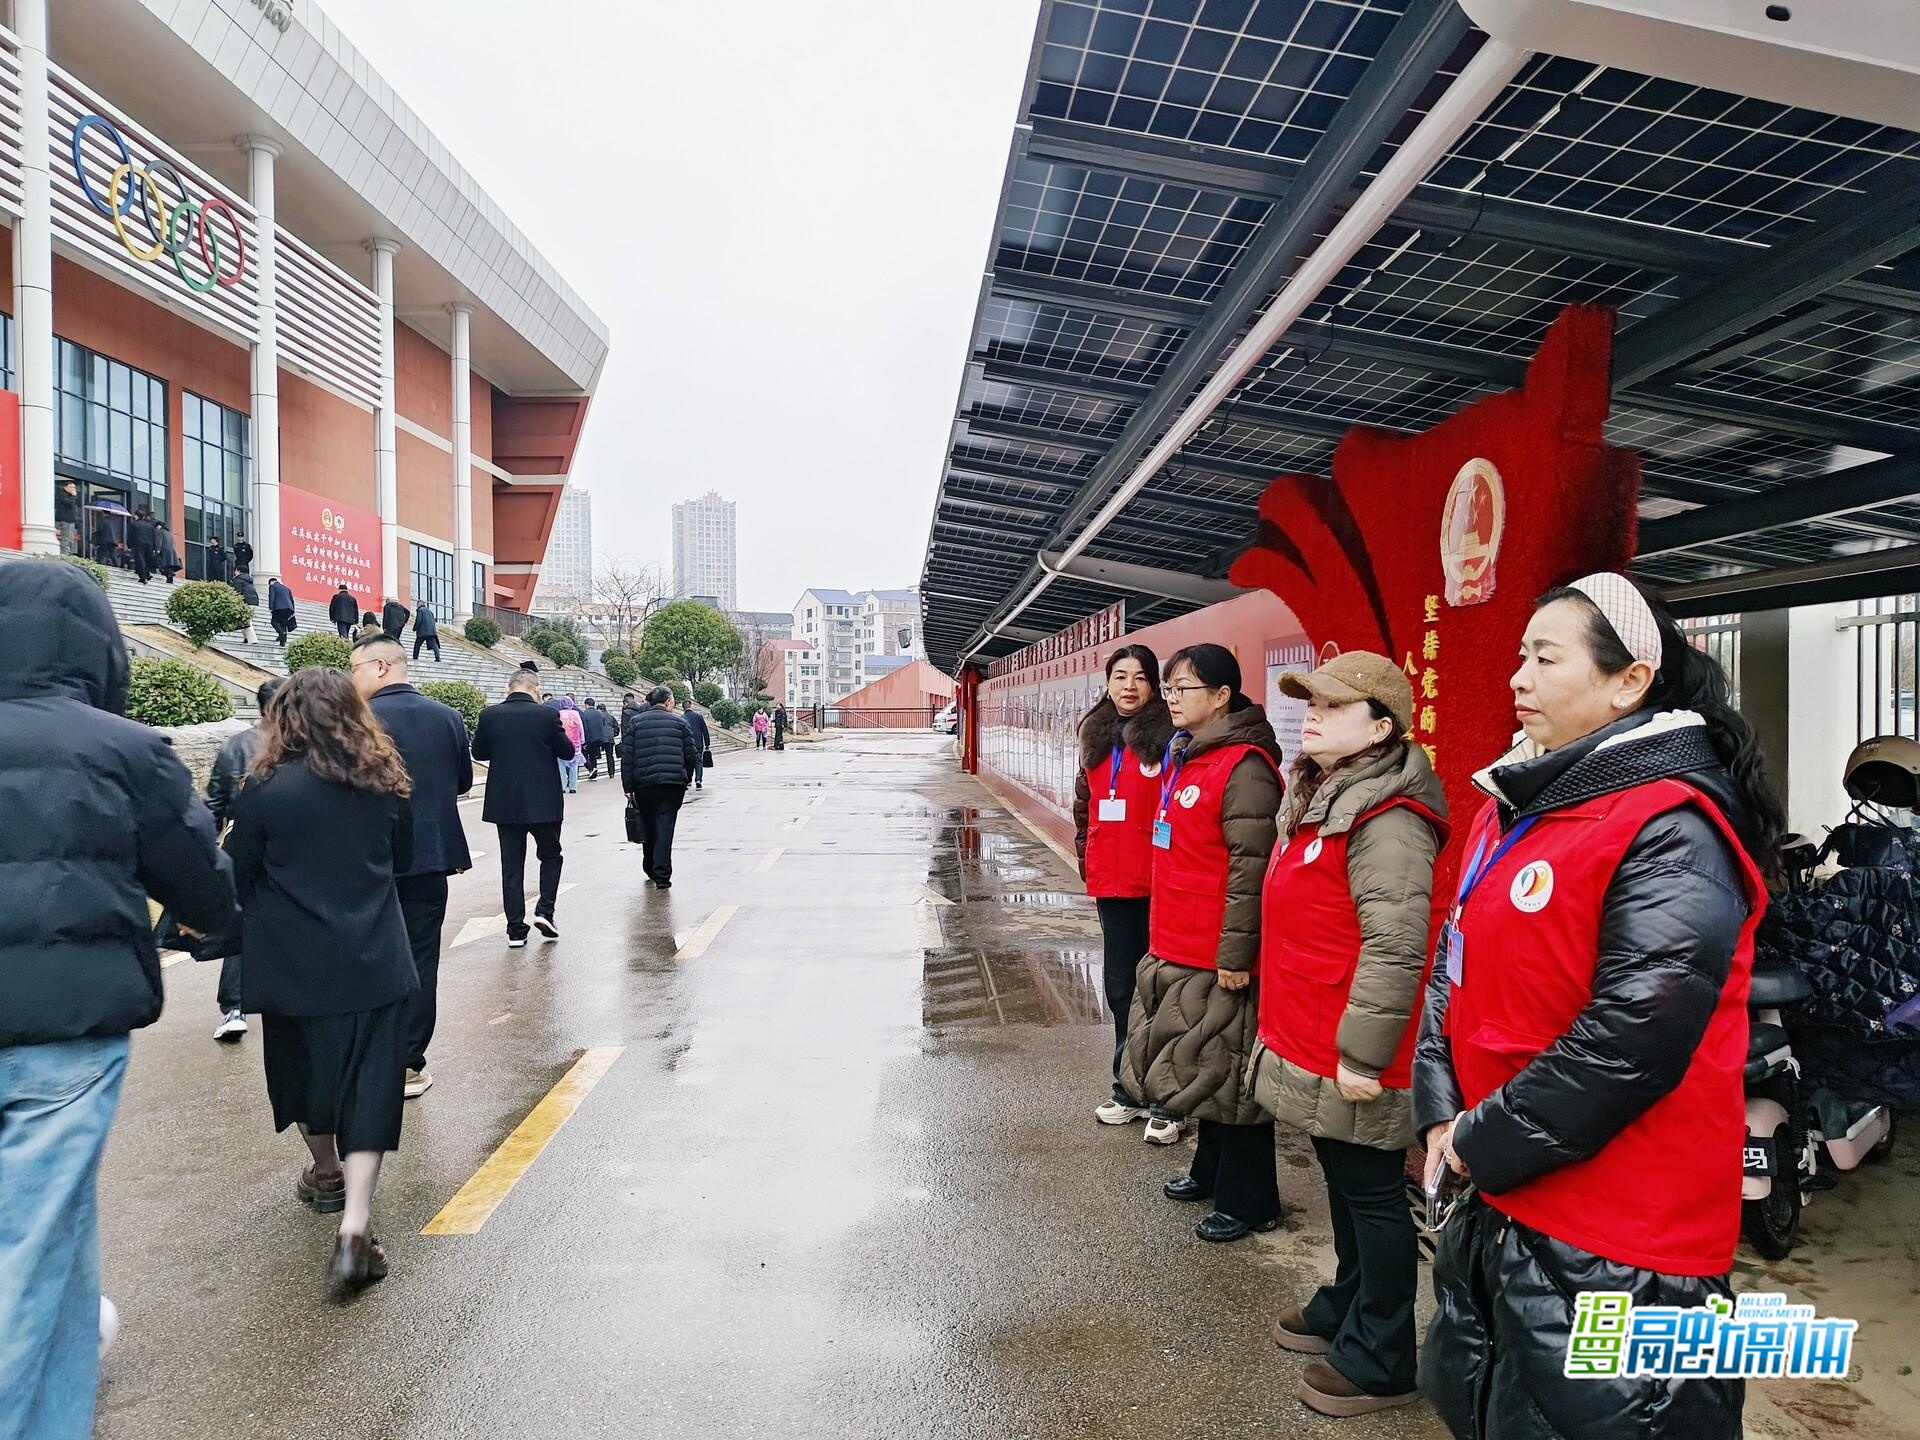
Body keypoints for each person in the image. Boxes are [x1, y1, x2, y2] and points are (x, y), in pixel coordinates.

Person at [1413, 574, 1780, 1440]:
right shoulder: (1514, 808)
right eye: (1520, 656)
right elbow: (1452, 966)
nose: (1519, 677)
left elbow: (1630, 1040)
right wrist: (1439, 1112)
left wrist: (1476, 1140)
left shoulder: (1670, 827)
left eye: (1546, 659)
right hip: (1503, 1194)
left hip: (1620, 1237)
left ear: (1630, 681)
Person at [0, 562, 237, 1436]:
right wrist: (214, 926)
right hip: (65, 1035)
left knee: (59, 1249)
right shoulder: (125, 749)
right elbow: (201, 881)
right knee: (29, 1256)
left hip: (61, 1034)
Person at [1248, 652, 1447, 1418]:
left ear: (1381, 729)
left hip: (1358, 1049)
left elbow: (1396, 946)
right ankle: (1348, 1302)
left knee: (1373, 1194)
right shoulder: (1321, 796)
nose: (1313, 716)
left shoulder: (1388, 820)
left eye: (1333, 707)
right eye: (1311, 704)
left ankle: (1383, 1355)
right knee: (1343, 1180)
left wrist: (1363, 1054)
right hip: (1315, 1032)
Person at [223, 668, 416, 1294]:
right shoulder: (385, 782)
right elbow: (405, 861)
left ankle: (325, 1170)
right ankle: (355, 1226)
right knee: (371, 1085)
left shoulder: (265, 788)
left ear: (284, 718)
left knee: (305, 1073)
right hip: (374, 957)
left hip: (293, 964)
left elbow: (239, 869)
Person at [1118, 643, 1284, 1243]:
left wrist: (1237, 954)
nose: (1171, 698)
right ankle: (1210, 1172)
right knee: (1204, 1067)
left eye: (1183, 687)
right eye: (1169, 687)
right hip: (1180, 941)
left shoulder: (1245, 767)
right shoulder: (1188, 755)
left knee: (1232, 1075)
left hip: (1218, 952)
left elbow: (1251, 869)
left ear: (1222, 696)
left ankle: (1250, 1200)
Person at [353, 634, 474, 1100]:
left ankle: (368, 1055)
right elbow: (462, 782)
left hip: (368, 859)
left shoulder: (357, 718)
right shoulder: (447, 717)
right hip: (429, 855)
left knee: (366, 956)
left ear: (381, 666)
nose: (351, 678)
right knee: (422, 958)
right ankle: (409, 1062)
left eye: (355, 668)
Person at [1072, 644, 1172, 1128]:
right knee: (1119, 988)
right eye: (1120, 676)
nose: (1129, 686)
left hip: (1159, 885)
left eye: (1140, 677)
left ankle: (1167, 1100)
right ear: (1108, 682)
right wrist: (1085, 857)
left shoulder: (1169, 738)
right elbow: (1083, 805)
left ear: (1154, 685)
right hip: (1112, 884)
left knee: (1162, 991)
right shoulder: (1095, 736)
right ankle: (1127, 1088)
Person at [205, 677, 286, 1042]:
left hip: (243, 841)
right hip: (290, 846)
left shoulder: (236, 746)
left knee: (245, 922)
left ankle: (235, 1007)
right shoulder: (304, 742)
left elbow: (215, 802)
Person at [471, 670, 574, 946]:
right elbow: (567, 751)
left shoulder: (489, 715)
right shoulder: (546, 715)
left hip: (505, 802)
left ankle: (515, 930)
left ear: (509, 688)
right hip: (544, 800)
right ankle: (545, 911)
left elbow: (479, 752)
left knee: (511, 866)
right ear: (536, 689)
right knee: (551, 856)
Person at [620, 685, 698, 888]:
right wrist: (685, 778)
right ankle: (662, 874)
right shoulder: (680, 723)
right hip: (672, 785)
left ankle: (649, 866)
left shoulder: (636, 723)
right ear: (668, 701)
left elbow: (627, 757)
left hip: (644, 785)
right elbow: (691, 756)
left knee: (648, 824)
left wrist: (628, 786)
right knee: (665, 825)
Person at [680, 697, 711, 790]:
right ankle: (698, 780)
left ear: (683, 708)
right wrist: (707, 744)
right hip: (698, 744)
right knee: (698, 762)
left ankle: (688, 780)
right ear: (691, 706)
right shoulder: (698, 717)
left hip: (687, 744)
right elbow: (705, 731)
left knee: (687, 763)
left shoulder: (682, 718)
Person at [556, 696, 585, 794]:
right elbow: (580, 727)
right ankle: (573, 787)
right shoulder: (575, 713)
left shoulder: (558, 713)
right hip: (575, 742)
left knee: (561, 765)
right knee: (574, 765)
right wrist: (582, 740)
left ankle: (562, 786)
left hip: (561, 742)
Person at [581, 699, 617, 780]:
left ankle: (592, 769)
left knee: (585, 755)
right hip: (601, 738)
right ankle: (609, 773)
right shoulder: (601, 714)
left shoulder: (584, 714)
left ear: (586, 704)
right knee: (596, 756)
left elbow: (584, 727)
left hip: (589, 738)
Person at [230, 568, 260, 644]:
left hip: (245, 602)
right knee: (243, 620)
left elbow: (237, 592)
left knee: (246, 621)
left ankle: (253, 640)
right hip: (253, 601)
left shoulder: (238, 580)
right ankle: (246, 638)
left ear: (238, 570)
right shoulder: (248, 580)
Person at [129, 506, 157, 583]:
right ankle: (147, 574)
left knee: (140, 560)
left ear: (136, 515)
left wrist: (130, 545)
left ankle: (143, 577)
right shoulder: (149, 525)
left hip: (139, 544)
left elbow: (131, 536)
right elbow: (153, 537)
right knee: (147, 560)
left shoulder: (134, 524)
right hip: (149, 545)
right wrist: (154, 547)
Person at [267, 576, 298, 647]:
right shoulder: (286, 588)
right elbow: (291, 599)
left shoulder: (273, 586)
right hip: (289, 608)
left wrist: (271, 607)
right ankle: (283, 642)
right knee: (283, 624)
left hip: (279, 608)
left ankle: (281, 635)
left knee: (274, 622)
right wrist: (293, 609)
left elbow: (272, 597)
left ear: (271, 582)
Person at [56, 480, 80, 556]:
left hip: (70, 520)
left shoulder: (70, 496)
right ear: (65, 487)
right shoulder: (63, 495)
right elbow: (69, 504)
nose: (73, 489)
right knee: (65, 538)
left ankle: (68, 553)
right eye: (71, 487)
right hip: (65, 520)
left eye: (74, 487)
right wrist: (74, 496)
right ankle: (64, 554)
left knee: (70, 538)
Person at [156, 520, 181, 584]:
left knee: (163, 565)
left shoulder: (160, 532)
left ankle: (169, 574)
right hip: (171, 551)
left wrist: (158, 549)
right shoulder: (169, 533)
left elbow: (159, 541)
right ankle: (170, 577)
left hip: (164, 550)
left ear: (159, 526)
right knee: (168, 565)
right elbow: (174, 543)